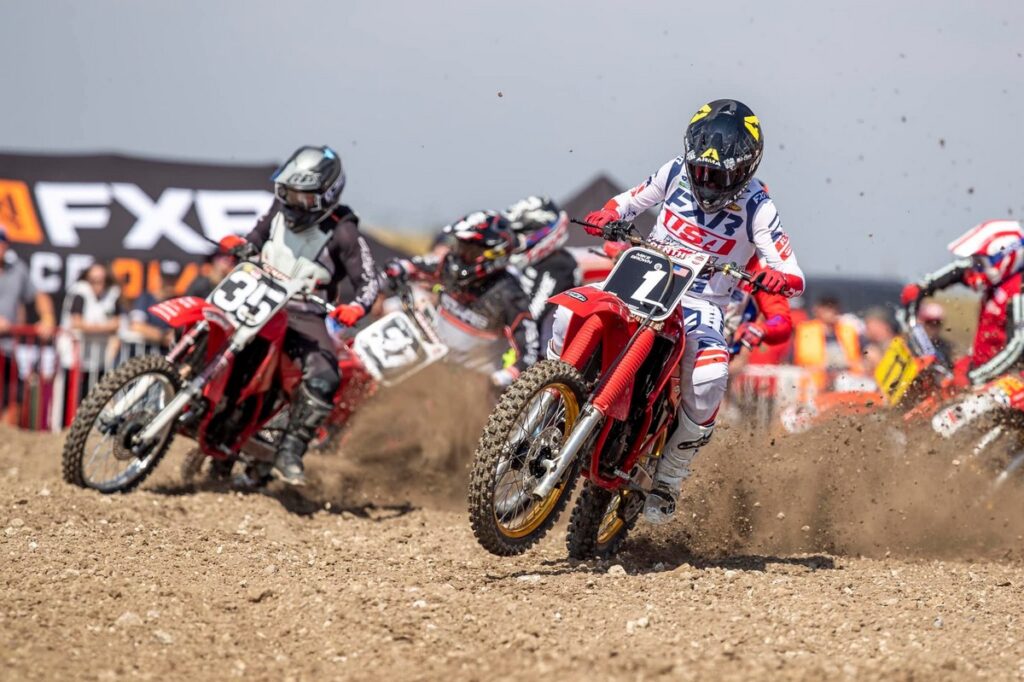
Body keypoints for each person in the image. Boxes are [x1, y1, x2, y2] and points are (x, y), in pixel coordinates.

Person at [568, 98, 805, 523]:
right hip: (645, 272)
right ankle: (554, 398)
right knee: (572, 311)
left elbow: (791, 271)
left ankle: (671, 475)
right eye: (701, 171)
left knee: (710, 375)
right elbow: (627, 203)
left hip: (702, 300)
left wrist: (777, 278)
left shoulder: (758, 205)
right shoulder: (674, 171)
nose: (707, 183)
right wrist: (606, 215)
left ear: (745, 168)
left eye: (719, 175)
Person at [223, 145, 379, 485]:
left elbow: (369, 281)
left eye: (303, 197)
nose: (293, 203)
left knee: (325, 376)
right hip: (255, 294)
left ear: (327, 196)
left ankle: (290, 451)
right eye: (288, 193)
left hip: (302, 313)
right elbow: (256, 238)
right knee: (209, 324)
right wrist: (241, 244)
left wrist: (356, 307)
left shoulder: (344, 231)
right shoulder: (277, 211)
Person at [386, 211, 539, 388]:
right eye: (460, 247)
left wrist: (499, 378)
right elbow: (416, 266)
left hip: (473, 386)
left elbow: (530, 353)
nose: (460, 256)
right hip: (430, 364)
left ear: (493, 253)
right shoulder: (451, 267)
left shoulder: (510, 295)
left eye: (469, 251)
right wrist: (399, 268)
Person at [901, 219, 1024, 388]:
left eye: (980, 263)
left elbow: (1018, 346)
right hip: (980, 368)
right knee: (927, 385)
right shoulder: (995, 281)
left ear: (1005, 258)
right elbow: (960, 270)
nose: (975, 271)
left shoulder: (1018, 291)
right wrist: (923, 287)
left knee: (951, 404)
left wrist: (973, 378)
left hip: (1007, 381)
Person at [504, 195, 579, 351]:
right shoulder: (531, 264)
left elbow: (532, 316)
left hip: (546, 355)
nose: (517, 242)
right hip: (522, 346)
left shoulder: (559, 265)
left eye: (522, 234)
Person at [0, 226, 56, 421]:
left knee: (13, 401)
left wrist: (48, 317)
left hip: (7, 351)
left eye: (2, 242)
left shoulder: (17, 270)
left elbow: (39, 296)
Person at [59, 262, 124, 400]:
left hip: (98, 361)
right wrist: (105, 327)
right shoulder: (79, 291)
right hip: (74, 360)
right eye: (93, 280)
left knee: (93, 402)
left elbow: (117, 323)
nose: (98, 284)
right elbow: (76, 322)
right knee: (70, 401)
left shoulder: (112, 293)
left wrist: (92, 328)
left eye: (101, 280)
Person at [791, 295, 865, 388]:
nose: (831, 312)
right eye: (827, 308)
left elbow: (863, 355)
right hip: (814, 384)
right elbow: (792, 360)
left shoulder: (848, 331)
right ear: (817, 310)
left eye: (834, 309)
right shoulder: (804, 330)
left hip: (847, 382)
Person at [918, 301, 954, 368]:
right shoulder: (913, 346)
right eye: (929, 322)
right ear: (922, 322)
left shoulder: (947, 347)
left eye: (937, 322)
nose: (933, 326)